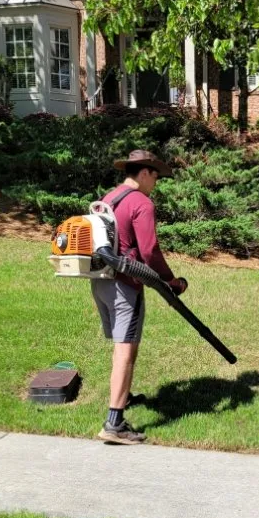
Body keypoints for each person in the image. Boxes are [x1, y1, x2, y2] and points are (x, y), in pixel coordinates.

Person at [92, 149, 188, 445]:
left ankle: (126, 396)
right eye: (155, 176)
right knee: (126, 351)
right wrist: (171, 280)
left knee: (120, 345)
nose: (156, 183)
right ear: (144, 172)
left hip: (101, 282)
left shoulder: (108, 198)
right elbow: (149, 251)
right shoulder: (141, 203)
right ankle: (114, 422)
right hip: (126, 286)